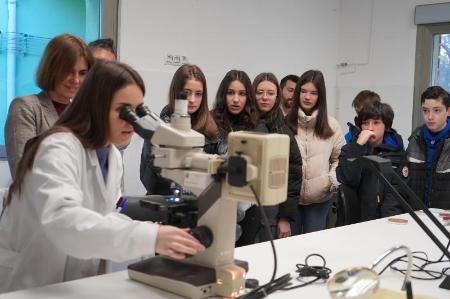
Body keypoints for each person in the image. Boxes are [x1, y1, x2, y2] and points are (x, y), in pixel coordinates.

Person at [0, 61, 205, 293]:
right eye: (123, 111)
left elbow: (107, 216)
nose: (133, 121)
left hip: (72, 284)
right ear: (95, 106)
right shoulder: (58, 146)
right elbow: (63, 221)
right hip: (29, 282)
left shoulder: (111, 154)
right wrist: (150, 236)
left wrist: (156, 237)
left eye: (138, 111)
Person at [5, 34, 94, 178]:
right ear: (51, 69)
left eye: (83, 73)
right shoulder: (26, 107)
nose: (76, 80)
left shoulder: (84, 114)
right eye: (68, 71)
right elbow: (22, 172)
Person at [140, 64, 225, 195]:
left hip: (201, 202)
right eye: (186, 93)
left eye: (198, 94)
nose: (192, 100)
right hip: (164, 201)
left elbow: (220, 168)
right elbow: (149, 180)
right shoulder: (158, 130)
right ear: (176, 92)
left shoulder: (212, 129)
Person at [237, 72, 301, 244]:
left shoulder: (283, 129)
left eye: (270, 93)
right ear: (252, 94)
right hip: (241, 209)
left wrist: (285, 218)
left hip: (270, 212)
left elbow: (293, 174)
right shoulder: (243, 124)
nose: (265, 97)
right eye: (259, 92)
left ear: (277, 97)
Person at [286, 69, 344, 234]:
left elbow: (339, 158)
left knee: (313, 247)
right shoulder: (284, 123)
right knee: (291, 248)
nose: (307, 97)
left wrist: (330, 181)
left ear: (321, 96)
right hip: (291, 201)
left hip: (320, 199)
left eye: (313, 93)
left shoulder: (332, 125)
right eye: (303, 91)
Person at [336, 101, 405, 222]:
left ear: (386, 126)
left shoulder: (397, 155)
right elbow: (347, 178)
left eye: (376, 123)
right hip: (351, 222)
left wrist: (386, 224)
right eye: (365, 123)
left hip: (382, 222)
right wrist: (358, 146)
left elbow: (395, 197)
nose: (370, 128)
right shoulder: (349, 150)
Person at [403, 86, 450, 210]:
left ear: (448, 111)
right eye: (425, 110)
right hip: (417, 216)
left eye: (437, 110)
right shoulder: (415, 140)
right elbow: (401, 183)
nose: (430, 117)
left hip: (444, 220)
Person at [211, 69, 258, 140]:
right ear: (223, 95)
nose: (236, 99)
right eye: (230, 93)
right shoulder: (210, 121)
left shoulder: (255, 123)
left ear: (248, 97)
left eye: (242, 94)